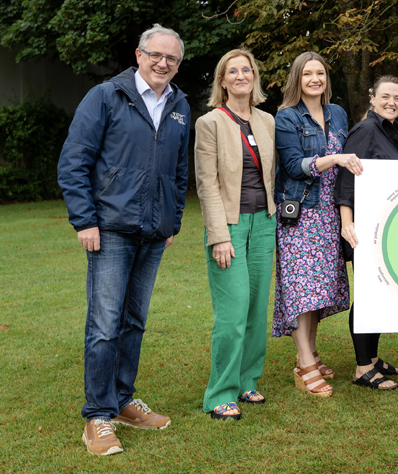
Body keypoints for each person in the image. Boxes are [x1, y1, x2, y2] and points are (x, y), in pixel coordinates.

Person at [57, 24, 188, 455]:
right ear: (139, 54)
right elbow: (74, 161)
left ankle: (123, 400)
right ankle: (97, 415)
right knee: (104, 324)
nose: (163, 63)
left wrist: (173, 221)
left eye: (172, 58)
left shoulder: (179, 104)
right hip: (110, 230)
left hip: (154, 233)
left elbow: (178, 172)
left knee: (134, 322)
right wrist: (85, 222)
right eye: (156, 55)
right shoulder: (105, 97)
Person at [273, 51, 363, 397]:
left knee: (318, 292)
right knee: (300, 291)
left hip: (330, 214)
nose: (315, 79)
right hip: (302, 214)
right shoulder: (286, 117)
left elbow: (355, 154)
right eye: (308, 74)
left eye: (320, 74)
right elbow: (294, 166)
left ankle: (307, 356)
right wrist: (335, 158)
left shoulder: (337, 113)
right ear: (297, 78)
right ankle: (306, 364)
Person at [195, 49, 277, 420]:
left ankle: (247, 380)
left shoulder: (267, 120)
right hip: (230, 225)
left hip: (265, 222)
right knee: (232, 310)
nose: (241, 75)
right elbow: (206, 183)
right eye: (233, 71)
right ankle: (219, 393)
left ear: (254, 77)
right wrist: (218, 235)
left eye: (247, 70)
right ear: (222, 80)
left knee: (257, 307)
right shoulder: (209, 123)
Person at [335, 75, 398, 391]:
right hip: (364, 227)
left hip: (387, 227)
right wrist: (346, 221)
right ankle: (362, 368)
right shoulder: (366, 130)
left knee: (379, 293)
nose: (392, 102)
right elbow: (346, 178)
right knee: (368, 296)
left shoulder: (391, 131)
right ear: (373, 98)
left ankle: (373, 358)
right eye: (386, 96)